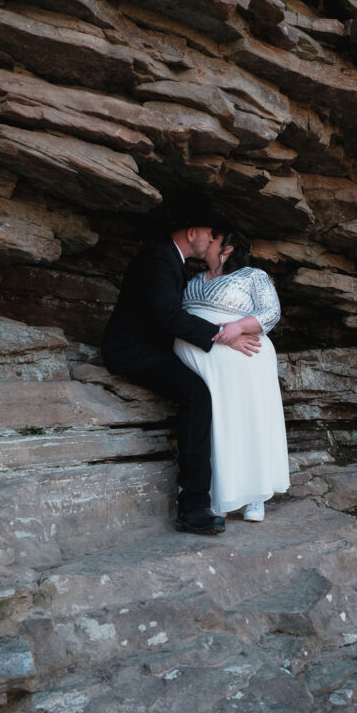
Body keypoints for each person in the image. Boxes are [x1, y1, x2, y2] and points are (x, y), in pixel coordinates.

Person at [101, 212, 260, 536]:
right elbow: (168, 317)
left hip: (152, 348)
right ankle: (193, 506)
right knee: (196, 396)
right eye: (210, 234)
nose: (212, 241)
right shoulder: (159, 258)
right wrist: (224, 336)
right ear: (192, 232)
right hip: (133, 352)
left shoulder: (174, 263)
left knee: (200, 392)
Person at [174, 230, 289, 522]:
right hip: (202, 362)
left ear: (227, 249)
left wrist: (238, 327)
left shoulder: (253, 276)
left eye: (214, 240)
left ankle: (257, 496)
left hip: (244, 359)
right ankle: (220, 492)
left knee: (246, 422)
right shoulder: (194, 278)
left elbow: (271, 311)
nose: (207, 243)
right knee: (214, 425)